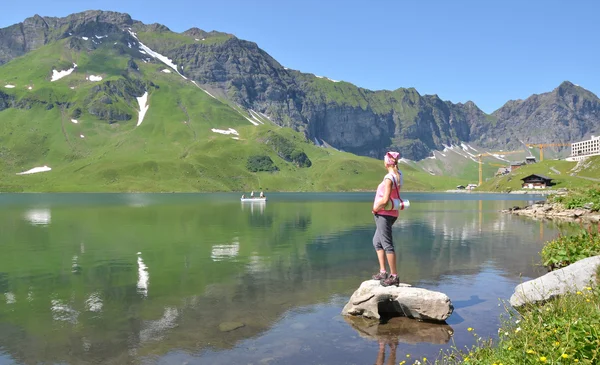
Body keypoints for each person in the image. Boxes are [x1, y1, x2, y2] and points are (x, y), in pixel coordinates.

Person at [371, 151, 403, 287]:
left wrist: (376, 208)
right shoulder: (399, 175)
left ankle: (394, 276)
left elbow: (385, 199)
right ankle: (383, 272)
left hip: (384, 214)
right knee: (377, 242)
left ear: (387, 162)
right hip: (392, 213)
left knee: (386, 244)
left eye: (384, 160)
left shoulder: (389, 177)